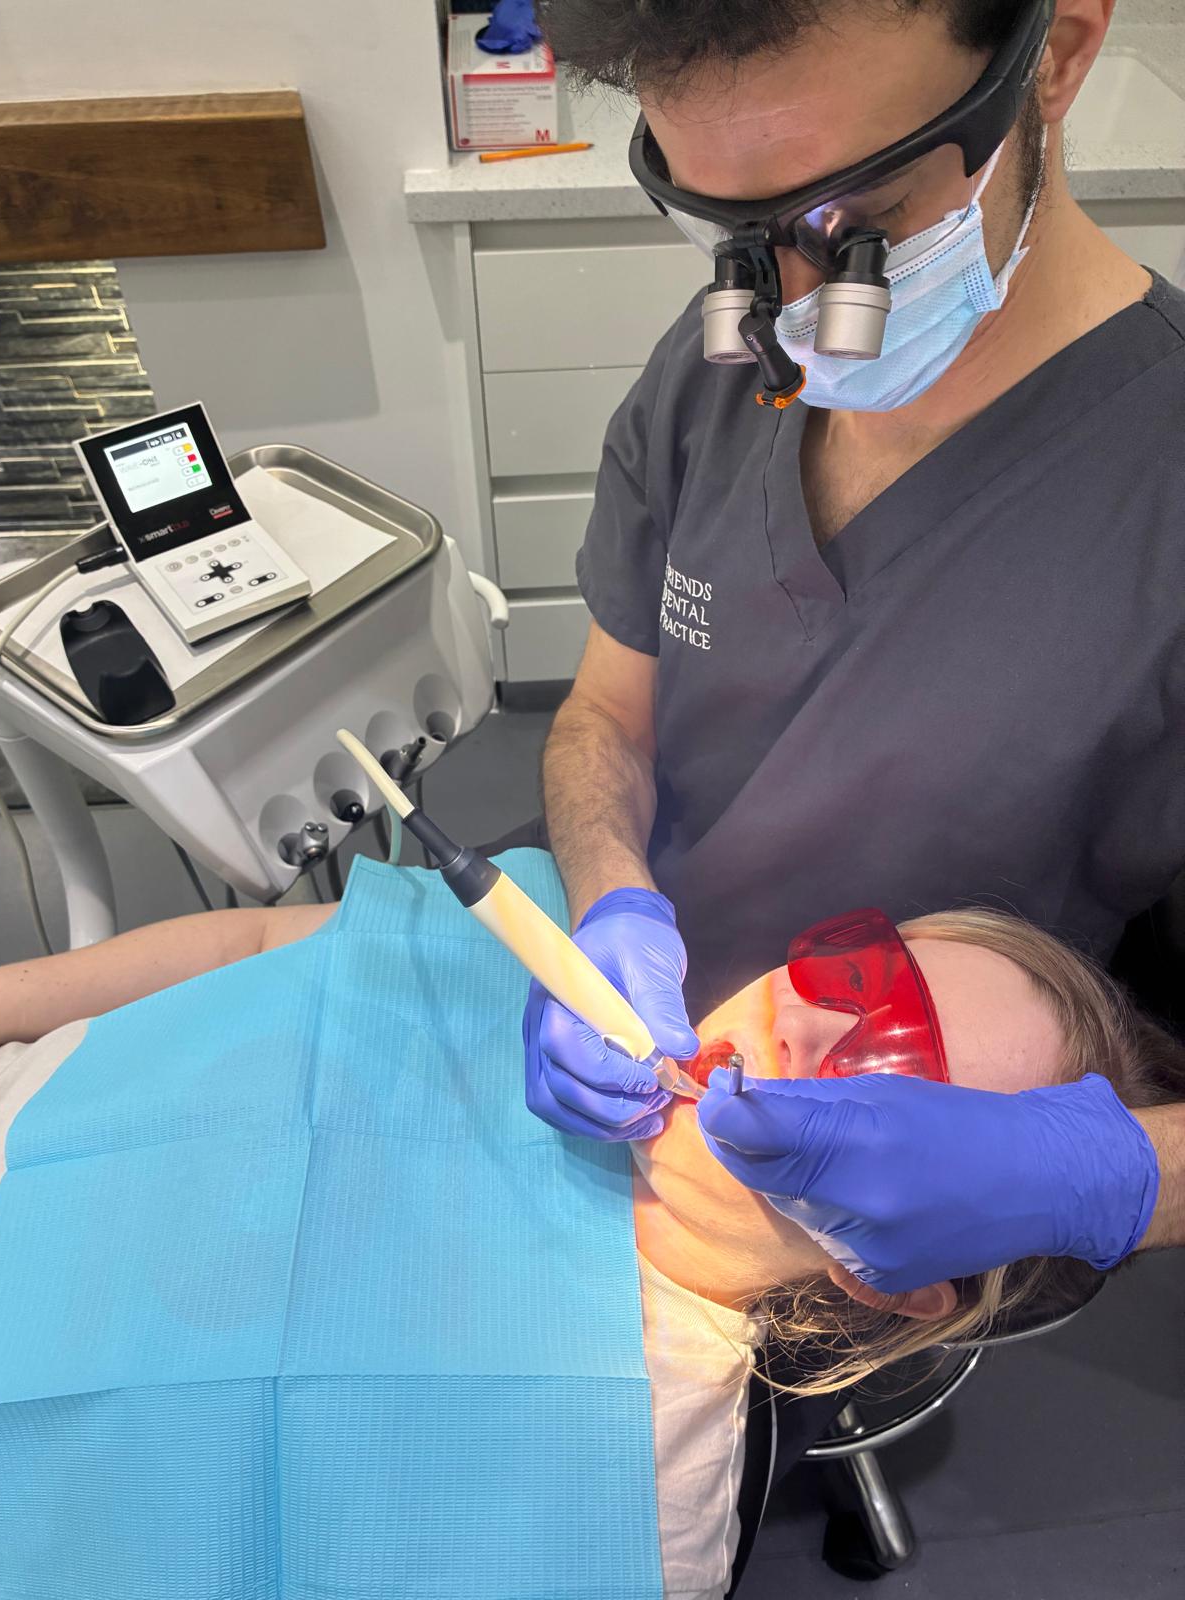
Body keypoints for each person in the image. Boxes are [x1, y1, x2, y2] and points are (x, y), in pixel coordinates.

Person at [0, 859, 1181, 1597]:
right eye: (858, 975)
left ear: (898, 1279)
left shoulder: (631, 1505)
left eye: (898, 1077)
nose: (808, 1030)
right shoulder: (535, 969)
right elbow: (251, 945)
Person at [523, 0, 1185, 1309]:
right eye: (733, 234)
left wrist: (1103, 1174)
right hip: (612, 1111)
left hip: (859, 1229)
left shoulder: (1156, 492)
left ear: (1052, 56)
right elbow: (605, 721)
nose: (798, 308)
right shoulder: (705, 379)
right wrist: (606, 906)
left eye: (858, 226)